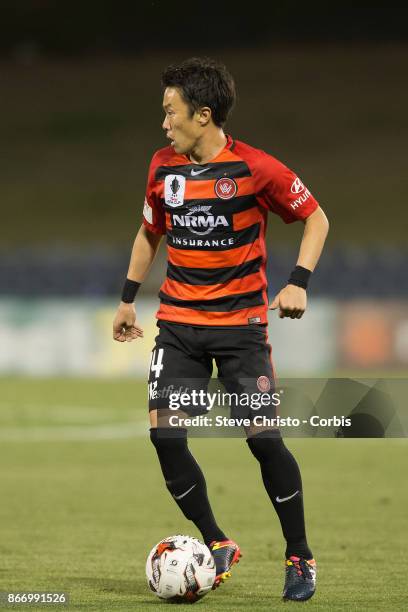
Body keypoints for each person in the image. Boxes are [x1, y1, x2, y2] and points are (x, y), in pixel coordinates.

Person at [112, 57, 329, 602]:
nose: (164, 123)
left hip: (241, 331)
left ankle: (299, 555)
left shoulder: (255, 169)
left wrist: (298, 280)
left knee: (264, 441)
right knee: (166, 437)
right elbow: (148, 232)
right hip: (179, 327)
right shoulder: (163, 166)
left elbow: (316, 218)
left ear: (203, 115)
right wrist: (127, 299)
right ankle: (217, 541)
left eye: (171, 111)